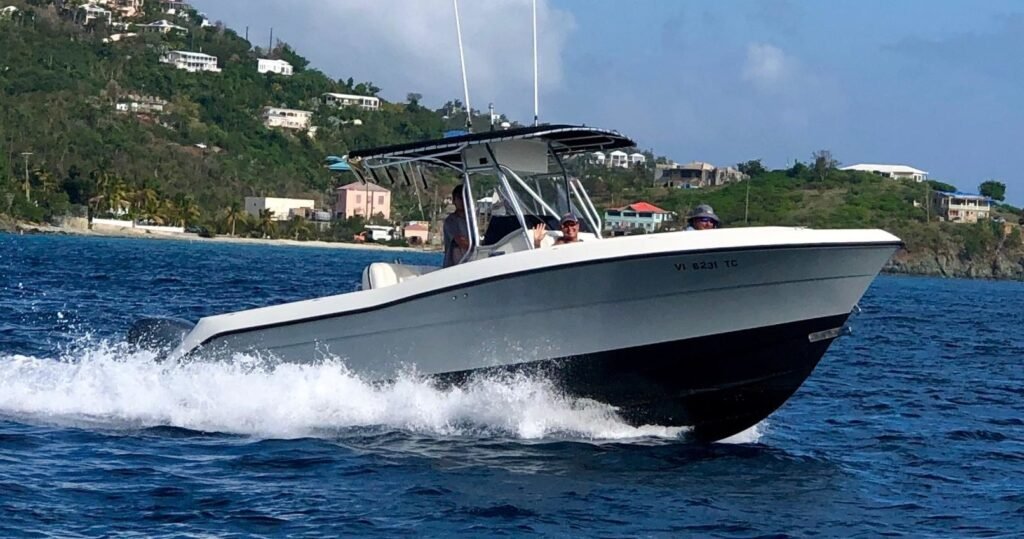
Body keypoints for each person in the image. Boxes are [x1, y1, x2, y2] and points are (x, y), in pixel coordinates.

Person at [443, 184, 470, 267]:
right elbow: (460, 241)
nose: (462, 201)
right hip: (453, 265)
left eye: (464, 197)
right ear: (454, 201)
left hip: (469, 262)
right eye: (459, 198)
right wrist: (476, 247)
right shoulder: (450, 221)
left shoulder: (471, 220)